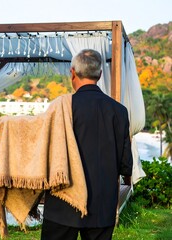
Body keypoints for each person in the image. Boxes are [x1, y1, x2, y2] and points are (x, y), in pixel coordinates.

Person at [41, 49, 133, 240]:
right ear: (99, 75)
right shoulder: (120, 111)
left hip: (63, 200)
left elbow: (43, 152)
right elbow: (125, 164)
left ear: (72, 72)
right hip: (102, 203)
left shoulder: (61, 107)